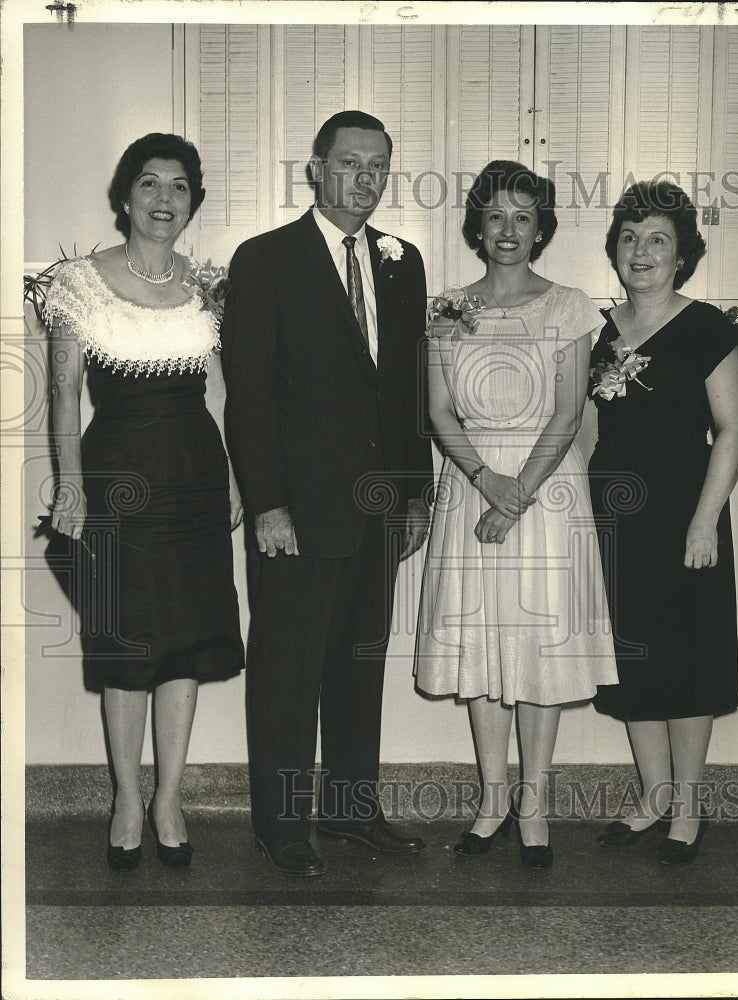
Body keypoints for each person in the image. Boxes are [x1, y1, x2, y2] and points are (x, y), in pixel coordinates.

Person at [221, 110, 434, 877]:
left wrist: (416, 496)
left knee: (358, 666)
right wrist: (268, 504)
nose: (366, 177)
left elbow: (408, 383)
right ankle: (279, 827)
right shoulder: (266, 258)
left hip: (378, 510)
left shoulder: (401, 261)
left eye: (379, 164)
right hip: (297, 514)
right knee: (286, 672)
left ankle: (350, 812)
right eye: (350, 162)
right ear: (314, 169)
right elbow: (246, 395)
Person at [44, 133, 245, 871]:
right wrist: (69, 484)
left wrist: (234, 478)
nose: (165, 199)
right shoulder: (78, 282)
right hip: (117, 481)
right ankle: (127, 796)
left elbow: (220, 391)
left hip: (194, 475)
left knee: (185, 644)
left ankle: (170, 796)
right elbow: (62, 392)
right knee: (128, 646)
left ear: (193, 200)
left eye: (180, 186)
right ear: (125, 195)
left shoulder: (207, 284)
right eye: (151, 184)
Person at [415, 161, 618, 868]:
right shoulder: (446, 307)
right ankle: (491, 800)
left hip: (544, 490)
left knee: (538, 649)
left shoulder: (569, 304)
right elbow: (439, 410)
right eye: (495, 215)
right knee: (481, 643)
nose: (508, 231)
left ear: (541, 228)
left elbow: (566, 414)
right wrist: (482, 479)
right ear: (477, 223)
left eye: (523, 218)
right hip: (471, 481)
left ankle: (533, 805)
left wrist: (517, 493)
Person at [588, 180, 738, 864]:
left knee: (686, 661)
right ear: (613, 251)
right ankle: (652, 795)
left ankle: (686, 807)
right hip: (616, 517)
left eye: (656, 239)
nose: (640, 251)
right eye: (628, 238)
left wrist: (702, 522)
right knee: (635, 660)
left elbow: (733, 427)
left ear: (682, 254)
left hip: (686, 512)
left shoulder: (707, 325)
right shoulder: (602, 330)